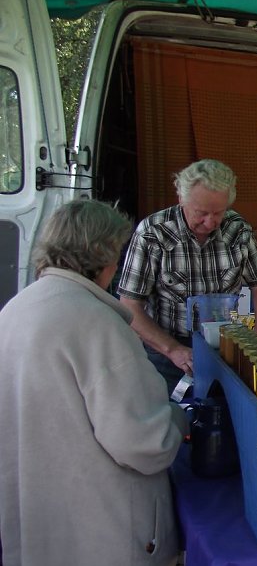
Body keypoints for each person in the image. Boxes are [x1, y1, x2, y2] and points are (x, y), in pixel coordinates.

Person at [0, 199, 188, 566]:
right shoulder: (98, 324)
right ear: (105, 257)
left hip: (37, 526)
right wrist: (179, 419)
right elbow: (144, 444)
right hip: (101, 534)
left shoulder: (15, 310)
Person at [118, 159, 257, 394]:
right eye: (201, 213)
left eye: (218, 213)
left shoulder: (238, 230)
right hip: (167, 352)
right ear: (181, 199)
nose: (210, 222)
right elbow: (129, 305)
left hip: (225, 347)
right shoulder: (153, 232)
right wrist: (173, 350)